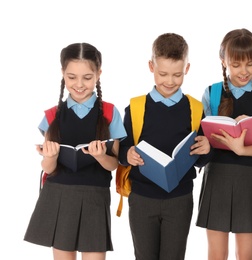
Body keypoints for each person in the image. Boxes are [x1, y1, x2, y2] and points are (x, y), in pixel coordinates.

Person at [24, 42, 127, 260]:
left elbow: (114, 164)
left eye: (87, 77)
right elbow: (48, 168)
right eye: (71, 77)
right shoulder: (52, 115)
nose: (79, 84)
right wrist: (49, 157)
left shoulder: (109, 113)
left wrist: (100, 156)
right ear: (62, 74)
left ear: (99, 74)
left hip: (95, 197)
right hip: (59, 195)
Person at [118, 32, 212, 260]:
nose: (170, 81)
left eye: (177, 75)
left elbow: (200, 157)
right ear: (151, 66)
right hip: (142, 198)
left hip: (179, 200)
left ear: (187, 69)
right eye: (163, 74)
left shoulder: (196, 108)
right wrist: (127, 154)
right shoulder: (135, 107)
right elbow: (121, 149)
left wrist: (207, 149)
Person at [196, 28, 252, 259]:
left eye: (250, 64)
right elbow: (203, 135)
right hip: (218, 176)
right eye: (236, 65)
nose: (244, 71)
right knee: (216, 253)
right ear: (223, 61)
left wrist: (242, 148)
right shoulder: (211, 93)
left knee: (246, 254)